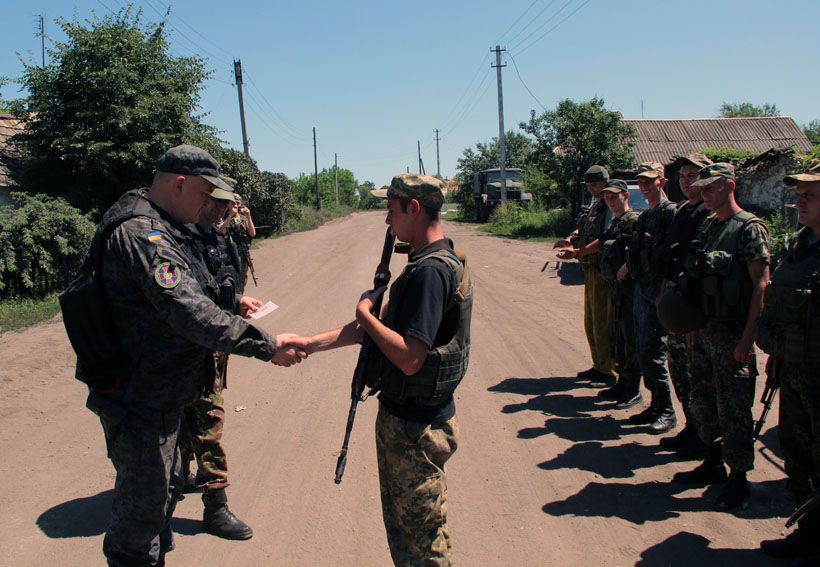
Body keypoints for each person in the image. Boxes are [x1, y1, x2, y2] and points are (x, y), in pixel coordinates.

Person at [87, 144, 304, 566]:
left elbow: (197, 291)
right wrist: (269, 345)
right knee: (138, 528)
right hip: (139, 401)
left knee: (161, 498)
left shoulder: (165, 226)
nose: (211, 206)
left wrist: (234, 301)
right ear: (180, 183)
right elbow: (191, 312)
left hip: (162, 395)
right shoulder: (142, 234)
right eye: (206, 195)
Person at [285, 174, 472, 566]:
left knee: (423, 544)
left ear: (414, 209)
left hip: (416, 432)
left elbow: (409, 357)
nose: (388, 223)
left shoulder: (431, 272)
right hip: (405, 424)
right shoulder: (424, 262)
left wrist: (364, 313)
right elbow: (373, 331)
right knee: (406, 537)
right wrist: (309, 343)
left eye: (391, 212)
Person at [673, 162, 770, 512]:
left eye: (712, 187)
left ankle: (739, 479)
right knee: (703, 400)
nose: (705, 192)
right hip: (702, 333)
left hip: (731, 335)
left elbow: (761, 284)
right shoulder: (709, 226)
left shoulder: (749, 228)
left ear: (729, 185)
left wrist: (748, 338)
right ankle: (712, 461)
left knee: (734, 409)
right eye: (704, 188)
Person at [177, 192, 259, 541]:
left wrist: (236, 301)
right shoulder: (173, 238)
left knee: (190, 415)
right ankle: (215, 506)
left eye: (227, 205)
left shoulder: (211, 237)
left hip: (205, 345)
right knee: (207, 420)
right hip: (188, 349)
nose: (224, 210)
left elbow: (211, 287)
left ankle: (182, 475)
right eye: (217, 203)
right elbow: (188, 300)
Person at [758, 160, 820, 559]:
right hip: (795, 365)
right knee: (796, 451)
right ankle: (809, 532)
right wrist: (776, 355)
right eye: (799, 194)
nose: (800, 200)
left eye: (810, 194)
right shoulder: (801, 241)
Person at [654, 154, 713, 457]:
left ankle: (705, 441)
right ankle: (692, 428)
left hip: (693, 313)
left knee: (700, 381)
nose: (687, 181)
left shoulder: (710, 217)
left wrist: (694, 321)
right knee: (680, 373)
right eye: (683, 176)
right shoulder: (683, 212)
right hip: (676, 304)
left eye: (693, 176)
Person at [617, 162, 677, 433]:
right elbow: (638, 249)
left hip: (659, 292)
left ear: (661, 182)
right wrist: (628, 267)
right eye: (640, 182)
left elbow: (674, 254)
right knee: (643, 349)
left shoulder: (670, 213)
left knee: (655, 352)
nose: (643, 186)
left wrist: (667, 289)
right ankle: (655, 404)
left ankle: (666, 410)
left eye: (649, 181)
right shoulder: (646, 215)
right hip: (642, 289)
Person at [555, 165, 617, 386]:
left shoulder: (609, 204)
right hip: (590, 269)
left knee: (602, 321)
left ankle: (609, 370)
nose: (592, 188)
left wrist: (579, 252)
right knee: (590, 321)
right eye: (589, 185)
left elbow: (606, 238)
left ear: (605, 182)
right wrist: (571, 239)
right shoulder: (595, 204)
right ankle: (599, 365)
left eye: (595, 184)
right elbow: (584, 228)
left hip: (603, 270)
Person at [595, 180, 642, 409]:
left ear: (625, 196)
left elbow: (640, 252)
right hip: (615, 289)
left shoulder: (633, 221)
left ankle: (633, 388)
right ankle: (622, 382)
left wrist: (629, 267)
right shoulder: (615, 222)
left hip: (630, 292)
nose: (611, 201)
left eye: (614, 197)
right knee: (618, 336)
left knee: (630, 337)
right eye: (607, 198)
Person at [221, 193, 256, 291]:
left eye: (238, 202)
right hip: (229, 254)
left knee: (242, 280)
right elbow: (221, 231)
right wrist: (230, 216)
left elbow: (252, 233)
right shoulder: (222, 217)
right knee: (231, 279)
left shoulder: (243, 218)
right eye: (233, 202)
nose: (236, 204)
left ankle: (240, 298)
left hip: (242, 254)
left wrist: (248, 217)